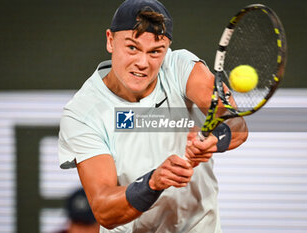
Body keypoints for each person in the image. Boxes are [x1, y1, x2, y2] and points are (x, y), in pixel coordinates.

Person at [58, 0, 248, 232]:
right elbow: (104, 209)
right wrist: (153, 183)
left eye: (155, 52)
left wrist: (215, 140)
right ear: (110, 40)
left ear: (167, 49)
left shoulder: (182, 67)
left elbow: (235, 121)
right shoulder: (82, 113)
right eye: (132, 48)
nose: (142, 62)